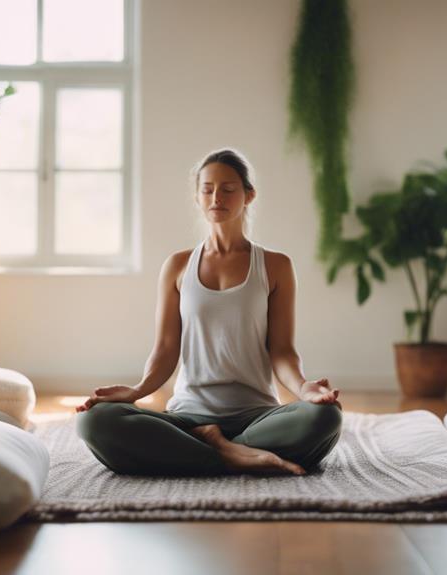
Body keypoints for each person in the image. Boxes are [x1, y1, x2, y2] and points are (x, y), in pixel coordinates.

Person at [75, 148, 342, 476]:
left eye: (228, 189)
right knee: (94, 421)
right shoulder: (177, 266)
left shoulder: (276, 266)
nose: (217, 196)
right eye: (208, 189)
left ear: (248, 195)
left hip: (256, 417)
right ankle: (235, 455)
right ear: (198, 197)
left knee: (326, 417)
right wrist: (137, 391)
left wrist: (305, 390)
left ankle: (209, 450)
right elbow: (165, 349)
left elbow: (282, 351)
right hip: (189, 416)